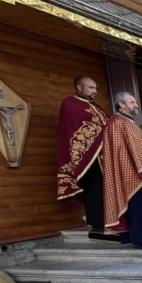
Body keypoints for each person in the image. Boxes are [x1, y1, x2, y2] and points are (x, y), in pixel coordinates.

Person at [100, 93, 142, 249]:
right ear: (122, 104)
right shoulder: (116, 123)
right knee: (139, 206)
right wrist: (136, 169)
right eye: (133, 102)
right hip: (132, 174)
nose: (137, 105)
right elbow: (119, 153)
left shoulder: (130, 122)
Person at [57, 76, 108, 232]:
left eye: (96, 88)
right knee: (94, 188)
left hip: (103, 156)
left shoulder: (96, 106)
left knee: (105, 189)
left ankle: (110, 220)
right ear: (79, 87)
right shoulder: (70, 104)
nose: (95, 91)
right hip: (87, 156)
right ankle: (98, 223)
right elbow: (73, 130)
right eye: (91, 87)